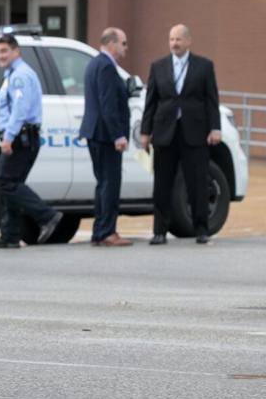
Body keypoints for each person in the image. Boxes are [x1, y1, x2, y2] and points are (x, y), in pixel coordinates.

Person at [140, 24, 222, 245]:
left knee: (197, 183)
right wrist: (145, 132)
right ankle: (159, 231)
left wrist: (215, 128)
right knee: (162, 184)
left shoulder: (204, 66)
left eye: (178, 39)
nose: (174, 43)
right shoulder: (158, 67)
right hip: (165, 133)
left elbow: (211, 100)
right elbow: (151, 102)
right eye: (171, 39)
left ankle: (201, 229)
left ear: (188, 41)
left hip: (194, 133)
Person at [0, 33, 63, 249]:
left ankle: (47, 216)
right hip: (22, 137)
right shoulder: (12, 74)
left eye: (5, 51)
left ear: (16, 51)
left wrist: (9, 138)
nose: (0, 56)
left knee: (6, 182)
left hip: (20, 138)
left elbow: (20, 109)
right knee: (12, 184)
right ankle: (10, 236)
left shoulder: (20, 75)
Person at [80, 27, 133, 246]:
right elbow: (108, 104)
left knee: (103, 183)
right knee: (110, 183)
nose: (126, 48)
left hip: (96, 133)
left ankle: (100, 230)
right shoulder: (105, 67)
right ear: (111, 44)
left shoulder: (95, 64)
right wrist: (118, 135)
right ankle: (106, 231)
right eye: (123, 43)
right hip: (104, 135)